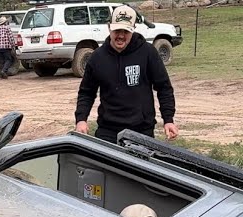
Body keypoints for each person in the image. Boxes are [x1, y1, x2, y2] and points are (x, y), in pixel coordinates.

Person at [74, 5, 178, 143]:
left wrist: (168, 119)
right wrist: (81, 119)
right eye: (117, 30)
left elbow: (164, 87)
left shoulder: (148, 52)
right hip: (108, 131)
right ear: (109, 27)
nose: (121, 35)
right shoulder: (97, 57)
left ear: (133, 29)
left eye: (126, 31)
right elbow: (86, 92)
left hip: (142, 130)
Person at [0, 15, 16, 79]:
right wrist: (13, 46)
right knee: (8, 60)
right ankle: (3, 71)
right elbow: (11, 38)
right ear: (5, 22)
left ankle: (2, 74)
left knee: (1, 61)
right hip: (6, 47)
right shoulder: (7, 28)